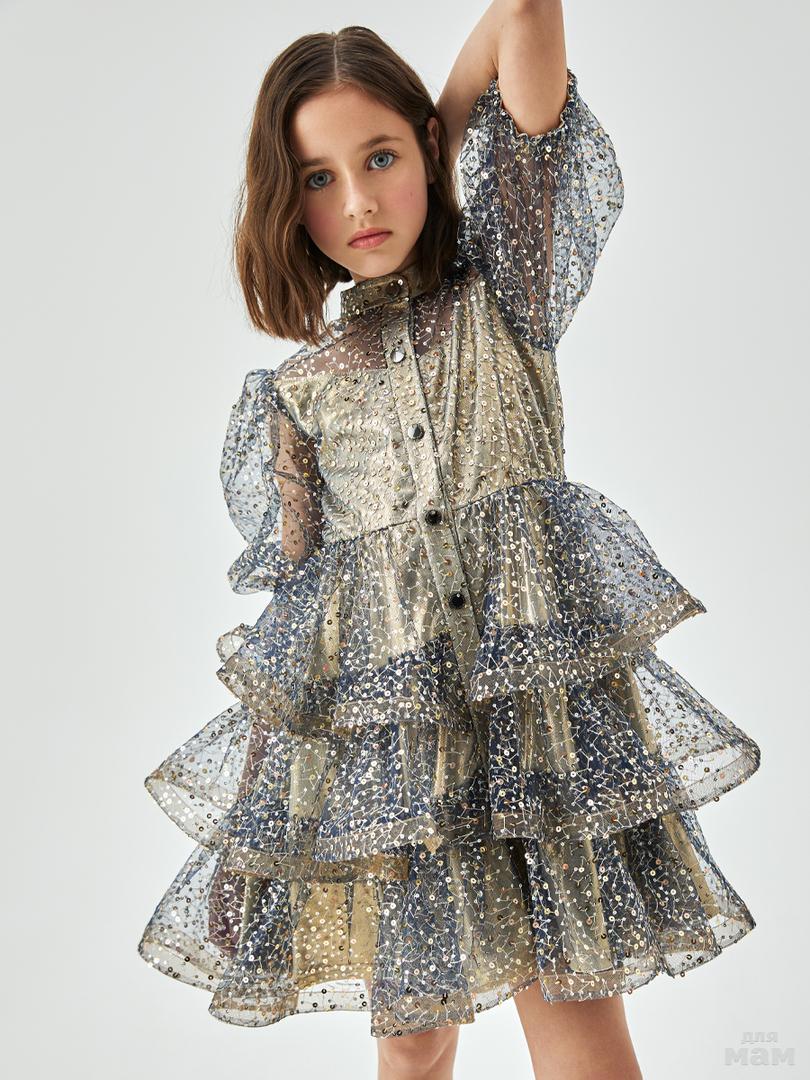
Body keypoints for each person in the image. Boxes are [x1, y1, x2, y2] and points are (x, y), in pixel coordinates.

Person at [137, 4, 761, 1078]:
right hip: (402, 771)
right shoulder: (298, 395)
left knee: (577, 1028)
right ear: (288, 200)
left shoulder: (506, 288)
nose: (359, 200)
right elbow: (299, 641)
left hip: (539, 744)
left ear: (430, 145)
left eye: (379, 157)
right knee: (415, 1042)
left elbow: (524, 15)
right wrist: (257, 839)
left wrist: (447, 123)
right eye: (320, 177)